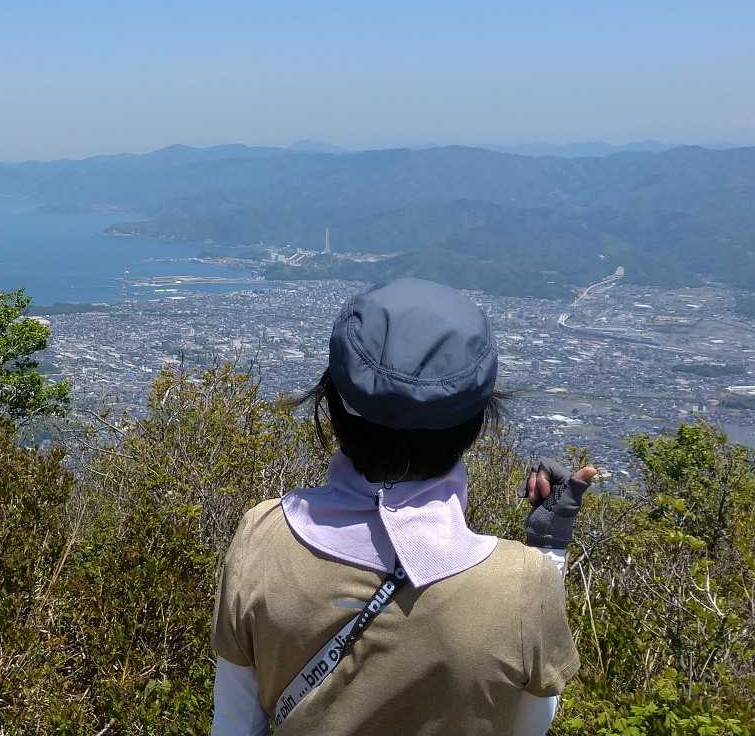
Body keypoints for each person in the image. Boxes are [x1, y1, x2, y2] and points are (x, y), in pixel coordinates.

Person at [210, 277, 597, 736]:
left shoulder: (261, 538)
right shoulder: (522, 584)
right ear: (475, 421)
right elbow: (529, 725)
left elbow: (234, 725)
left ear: (333, 403)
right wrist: (548, 550)